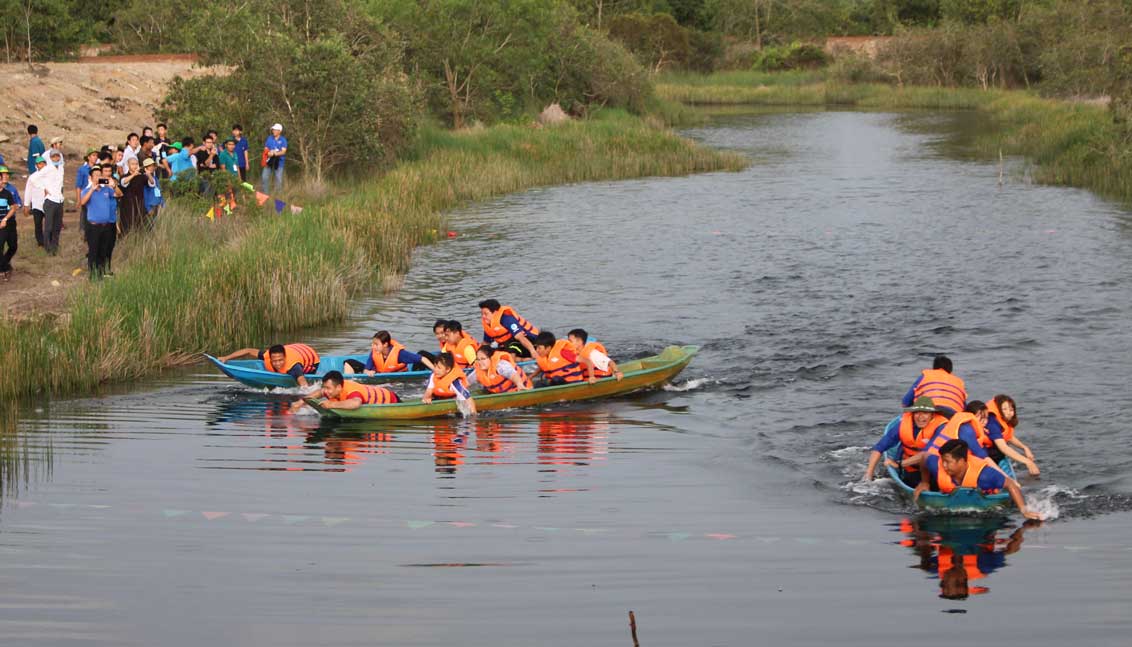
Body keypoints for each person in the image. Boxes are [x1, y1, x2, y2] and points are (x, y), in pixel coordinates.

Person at [917, 439, 1041, 520]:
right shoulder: (937, 465)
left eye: (948, 462)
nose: (943, 465)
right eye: (942, 461)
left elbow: (1010, 484)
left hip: (985, 499)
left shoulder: (985, 476)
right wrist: (924, 482)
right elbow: (923, 457)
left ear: (961, 461)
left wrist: (1024, 510)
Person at [861, 396, 947, 485]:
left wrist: (899, 464)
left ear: (932, 415)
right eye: (917, 413)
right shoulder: (903, 425)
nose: (920, 417)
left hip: (932, 468)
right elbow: (879, 447)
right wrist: (869, 473)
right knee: (911, 480)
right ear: (913, 414)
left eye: (925, 413)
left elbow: (927, 454)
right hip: (910, 468)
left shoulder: (941, 427)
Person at [904, 400, 993, 476]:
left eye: (986, 418)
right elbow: (983, 457)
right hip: (937, 468)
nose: (983, 421)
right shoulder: (963, 430)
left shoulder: (984, 432)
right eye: (980, 418)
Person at [79, 166, 122, 278]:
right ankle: (93, 274)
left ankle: (101, 273)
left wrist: (114, 185)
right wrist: (93, 189)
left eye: (100, 175)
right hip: (93, 227)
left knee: (103, 251)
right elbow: (82, 202)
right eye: (96, 175)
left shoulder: (106, 189)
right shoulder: (87, 190)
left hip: (106, 226)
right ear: (91, 178)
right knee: (93, 250)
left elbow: (119, 194)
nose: (98, 177)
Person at [983, 394, 1040, 476]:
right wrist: (1027, 462)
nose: (1008, 413)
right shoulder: (992, 422)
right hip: (986, 456)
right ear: (998, 409)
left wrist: (1024, 447)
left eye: (1011, 410)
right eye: (1004, 409)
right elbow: (1003, 447)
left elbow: (1008, 436)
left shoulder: (1001, 421)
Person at [218, 344, 321, 387]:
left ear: (285, 357)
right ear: (270, 358)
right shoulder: (266, 355)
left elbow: (303, 383)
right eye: (274, 361)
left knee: (297, 378)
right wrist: (226, 358)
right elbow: (248, 351)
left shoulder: (294, 366)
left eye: (280, 360)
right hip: (295, 348)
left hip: (312, 361)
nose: (277, 363)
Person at [294, 370, 400, 412]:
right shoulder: (333, 389)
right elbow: (320, 392)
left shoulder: (352, 391)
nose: (326, 391)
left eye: (328, 388)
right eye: (325, 387)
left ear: (339, 387)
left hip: (391, 400)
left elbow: (356, 403)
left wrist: (331, 405)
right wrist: (301, 402)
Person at [902, 355, 966, 417]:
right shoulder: (959, 382)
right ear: (950, 370)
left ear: (934, 368)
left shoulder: (925, 376)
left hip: (928, 411)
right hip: (952, 415)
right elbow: (964, 409)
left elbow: (905, 402)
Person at [364, 330, 434, 375]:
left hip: (400, 379)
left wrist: (434, 370)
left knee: (421, 354)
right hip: (385, 377)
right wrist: (368, 372)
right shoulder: (375, 352)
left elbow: (422, 358)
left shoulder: (399, 354)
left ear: (385, 344)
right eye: (373, 344)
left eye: (376, 344)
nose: (373, 347)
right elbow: (366, 370)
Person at [39, 149, 65, 255]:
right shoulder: (47, 168)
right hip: (50, 200)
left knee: (57, 226)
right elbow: (36, 178)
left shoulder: (61, 168)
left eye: (57, 156)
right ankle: (47, 247)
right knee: (48, 226)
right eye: (54, 157)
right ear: (50, 158)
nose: (56, 158)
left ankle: (55, 247)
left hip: (59, 200)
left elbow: (60, 183)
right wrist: (44, 188)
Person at [118, 157, 149, 234]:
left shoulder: (142, 176)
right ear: (128, 165)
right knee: (127, 225)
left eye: (136, 164)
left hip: (139, 204)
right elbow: (124, 183)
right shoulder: (124, 176)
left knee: (139, 225)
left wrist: (148, 174)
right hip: (127, 205)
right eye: (132, 164)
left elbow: (151, 183)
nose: (135, 166)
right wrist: (133, 175)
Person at [75, 149, 99, 241]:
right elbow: (78, 185)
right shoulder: (82, 169)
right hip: (86, 194)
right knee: (85, 214)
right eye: (93, 155)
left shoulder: (98, 168)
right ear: (88, 157)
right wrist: (78, 199)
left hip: (96, 195)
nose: (95, 157)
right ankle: (84, 233)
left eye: (96, 155)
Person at [23, 155, 47, 247]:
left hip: (49, 203)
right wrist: (26, 205)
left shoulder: (50, 176)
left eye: (43, 163)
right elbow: (28, 191)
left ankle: (49, 240)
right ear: (36, 165)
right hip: (37, 204)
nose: (42, 165)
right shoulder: (33, 177)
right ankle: (40, 242)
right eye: (39, 164)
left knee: (49, 224)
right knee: (38, 224)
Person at [0, 174, 18, 282]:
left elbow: (13, 208)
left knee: (13, 246)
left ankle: (4, 263)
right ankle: (3, 269)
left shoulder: (7, 193)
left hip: (7, 223)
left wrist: (5, 219)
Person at [261, 123, 287, 193]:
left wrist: (275, 153)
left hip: (279, 162)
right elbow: (266, 148)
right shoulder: (269, 138)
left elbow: (283, 151)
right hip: (269, 160)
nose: (274, 131)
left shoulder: (283, 140)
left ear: (279, 131)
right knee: (264, 177)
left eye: (275, 130)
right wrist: (268, 152)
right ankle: (265, 193)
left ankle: (278, 195)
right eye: (273, 130)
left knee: (278, 179)